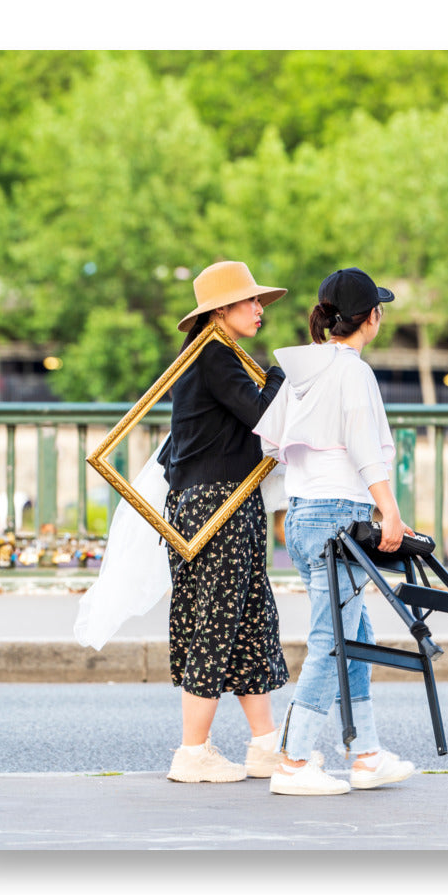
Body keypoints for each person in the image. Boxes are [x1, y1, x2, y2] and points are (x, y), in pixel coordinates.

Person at [254, 267, 417, 796]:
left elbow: (272, 445)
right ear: (372, 317)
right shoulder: (352, 372)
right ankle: (294, 760)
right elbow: (366, 449)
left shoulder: (304, 370)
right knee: (333, 636)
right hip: (336, 517)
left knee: (355, 631)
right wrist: (388, 512)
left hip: (301, 515)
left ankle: (366, 754)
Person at [159, 260, 290, 783]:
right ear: (221, 311)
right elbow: (263, 414)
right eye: (250, 301)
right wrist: (284, 375)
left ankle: (264, 745)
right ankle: (193, 752)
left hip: (218, 502)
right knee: (217, 621)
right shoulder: (214, 354)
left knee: (248, 620)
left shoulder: (208, 356)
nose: (260, 309)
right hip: (219, 505)